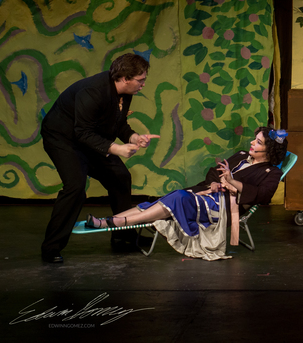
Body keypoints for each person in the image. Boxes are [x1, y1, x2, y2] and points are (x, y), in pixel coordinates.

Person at [85, 127, 288, 261]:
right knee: (168, 199)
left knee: (178, 198)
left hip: (221, 208)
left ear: (269, 151)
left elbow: (263, 195)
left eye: (258, 142)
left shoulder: (272, 173)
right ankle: (108, 221)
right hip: (207, 194)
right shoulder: (242, 156)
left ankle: (113, 222)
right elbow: (214, 171)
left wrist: (232, 181)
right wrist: (215, 182)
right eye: (255, 139)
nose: (252, 142)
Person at [40, 53, 160, 263]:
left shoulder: (124, 91)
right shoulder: (93, 91)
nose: (143, 84)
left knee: (120, 177)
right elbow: (82, 132)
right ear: (125, 78)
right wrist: (117, 149)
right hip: (63, 139)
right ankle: (51, 247)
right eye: (140, 80)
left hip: (90, 138)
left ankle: (123, 235)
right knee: (75, 187)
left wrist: (134, 137)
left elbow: (118, 123)